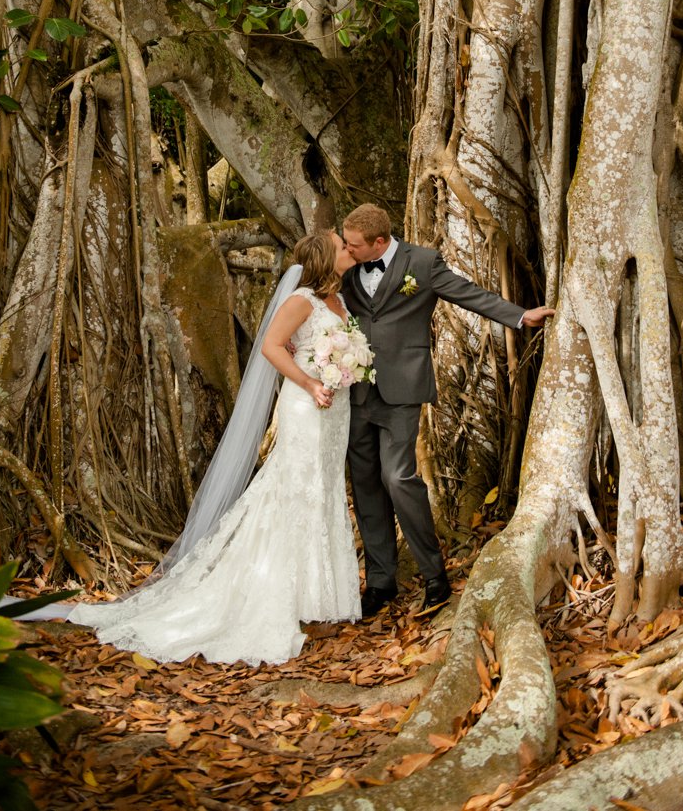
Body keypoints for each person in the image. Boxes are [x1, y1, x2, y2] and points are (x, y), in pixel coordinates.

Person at [63, 230, 363, 666]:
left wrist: (344, 368)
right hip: (307, 405)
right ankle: (275, 595)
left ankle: (317, 598)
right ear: (323, 258)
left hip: (335, 410)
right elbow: (271, 347)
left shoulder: (339, 299)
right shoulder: (301, 300)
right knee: (296, 490)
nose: (349, 251)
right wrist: (311, 381)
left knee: (325, 490)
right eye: (342, 246)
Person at [340, 204, 554, 619]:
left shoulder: (420, 262)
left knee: (398, 477)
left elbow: (466, 292)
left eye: (354, 244)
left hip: (402, 388)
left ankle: (434, 574)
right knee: (365, 486)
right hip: (354, 390)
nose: (347, 250)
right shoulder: (348, 267)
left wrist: (519, 315)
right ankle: (381, 581)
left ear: (379, 242)